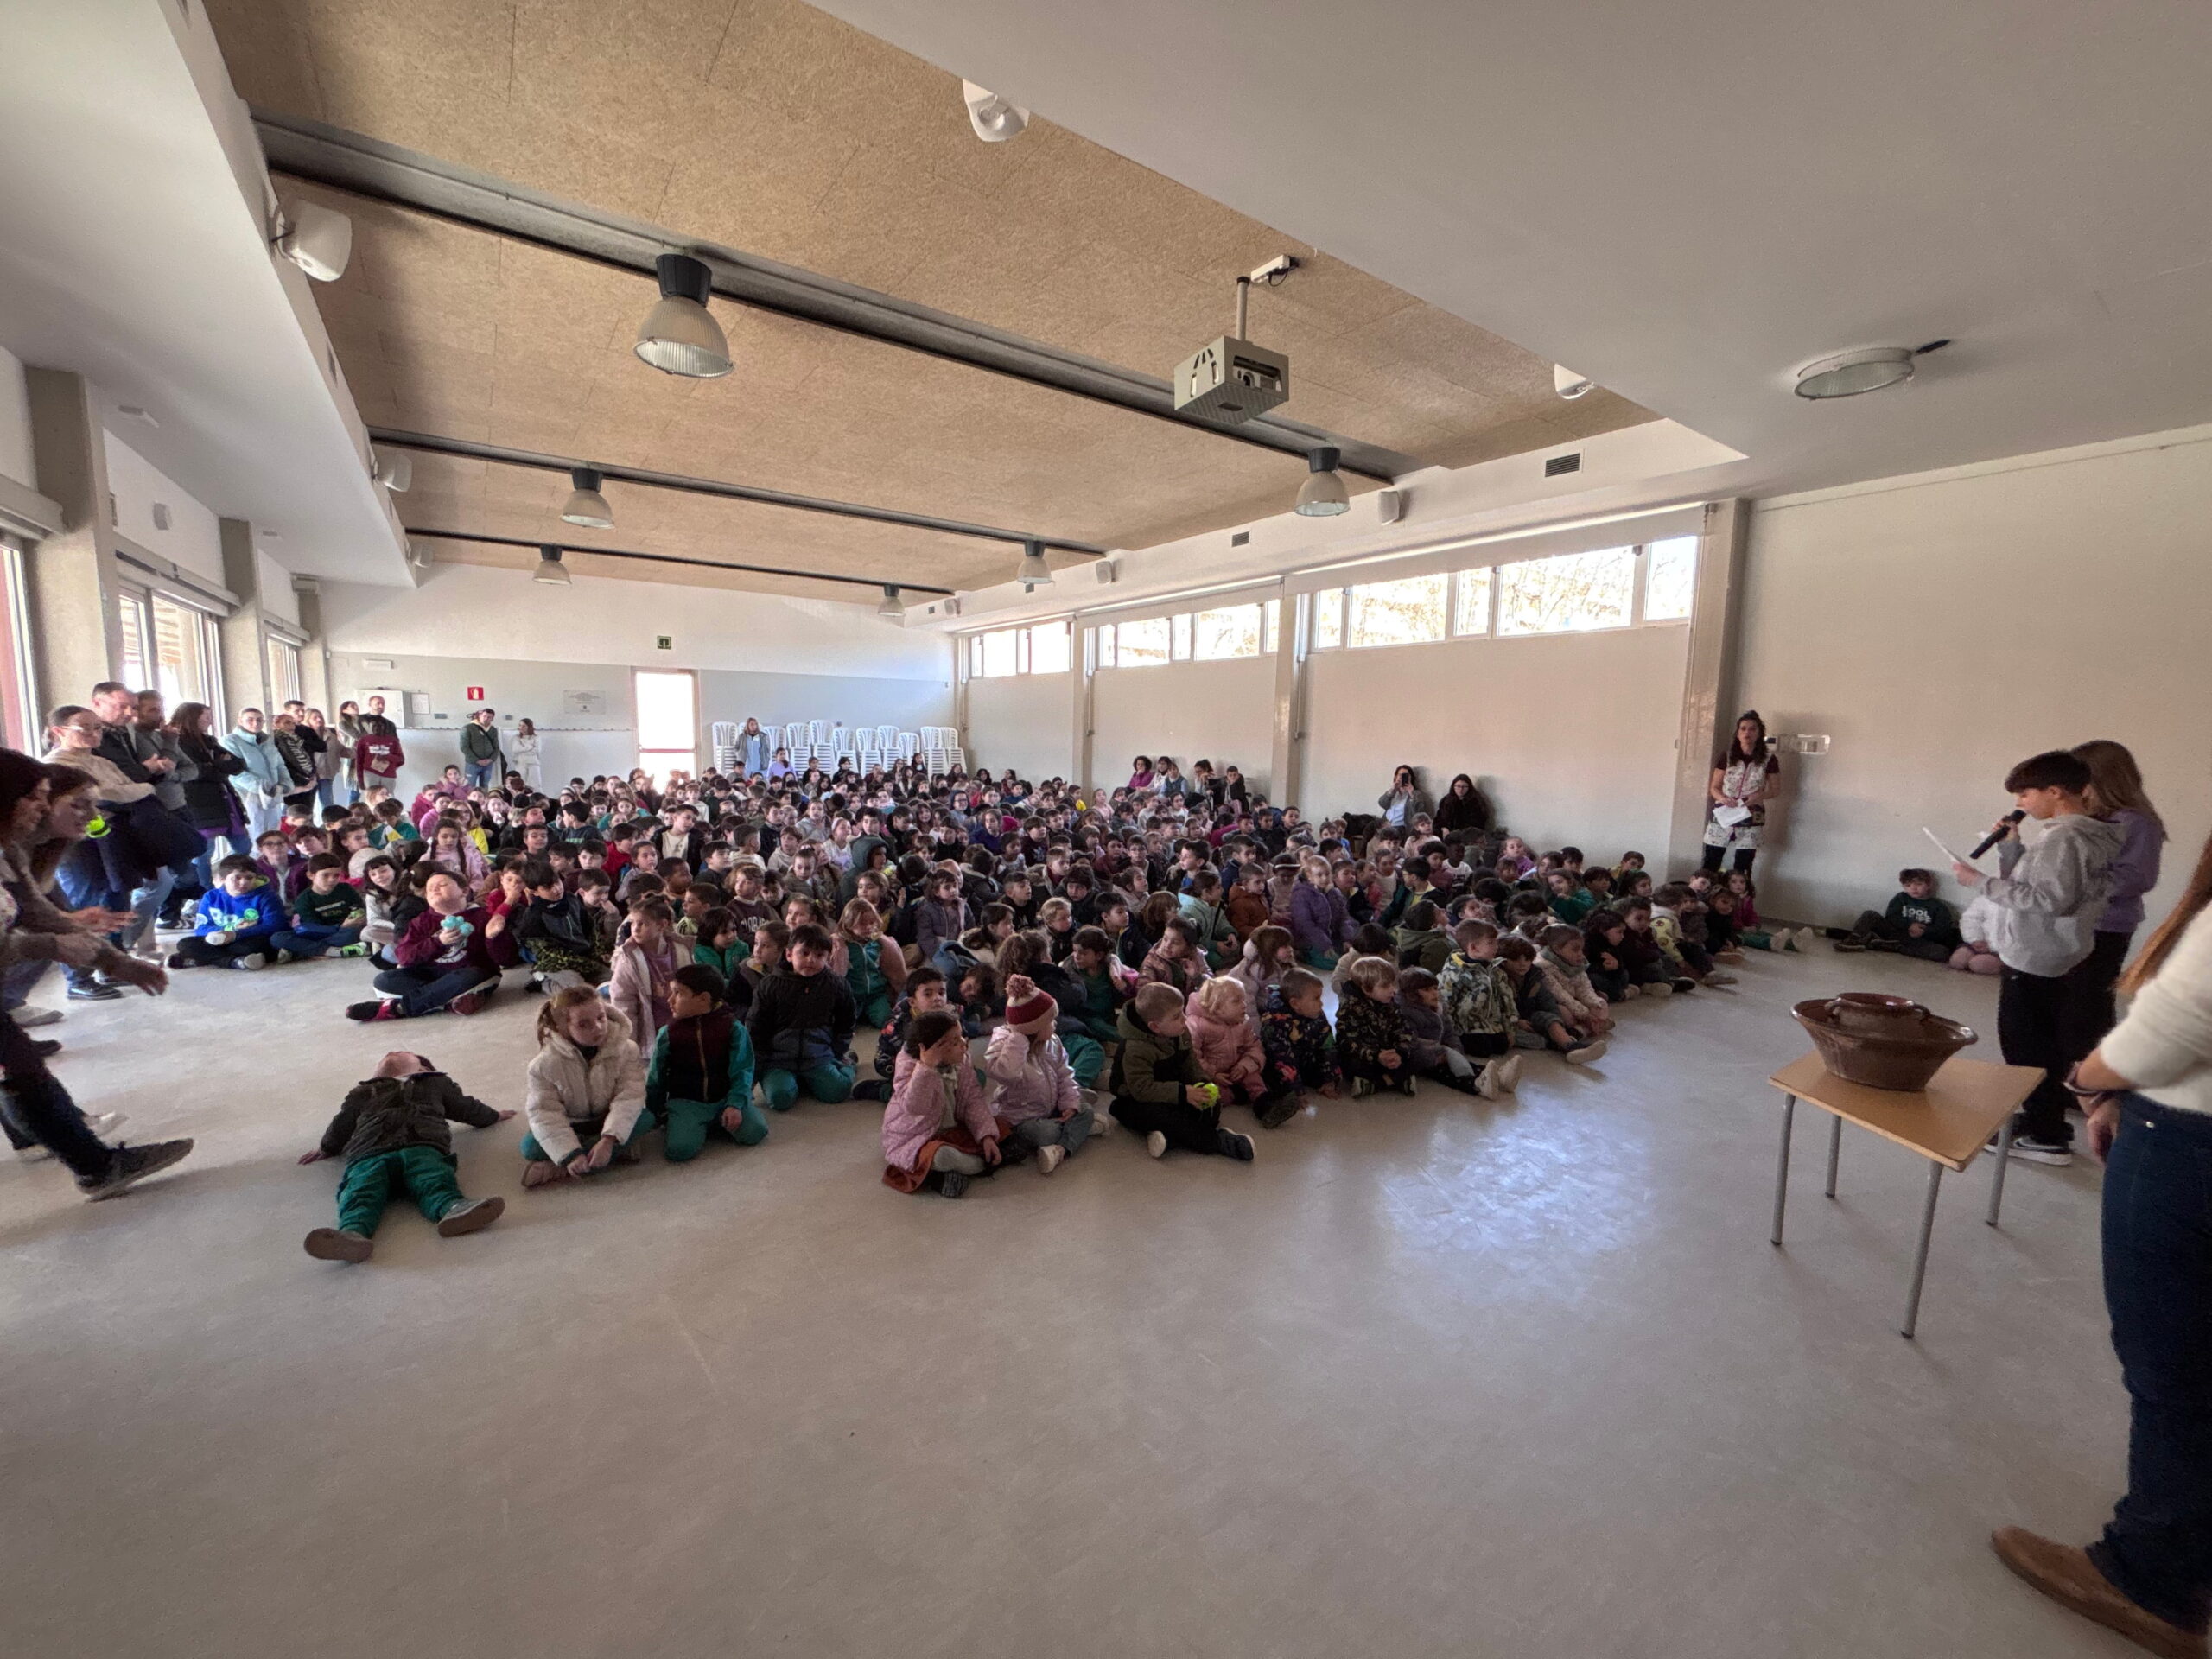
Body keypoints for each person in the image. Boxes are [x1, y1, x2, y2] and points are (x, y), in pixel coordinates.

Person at [1991, 823, 2212, 1658]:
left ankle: (2151, 1580)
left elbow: (2173, 1029)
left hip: (2189, 1146)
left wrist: (2085, 1079)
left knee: (2176, 1371)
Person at [0, 751, 193, 1197]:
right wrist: (51, 946)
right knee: (19, 1063)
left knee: (20, 1064)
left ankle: (93, 1165)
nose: (40, 805)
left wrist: (118, 963)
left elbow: (39, 914)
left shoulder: (8, 849)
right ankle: (93, 1164)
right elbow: (40, 930)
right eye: (35, 796)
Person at [1949, 749, 2126, 1166]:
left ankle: (2045, 1134)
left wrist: (1978, 882)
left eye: (2025, 794)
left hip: (2035, 954)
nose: (2021, 804)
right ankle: (2043, 1121)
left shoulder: (2063, 838)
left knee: (2026, 1048)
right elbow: (2042, 884)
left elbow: (2049, 900)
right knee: (2045, 1042)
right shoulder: (2088, 834)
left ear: (2055, 791)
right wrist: (2012, 851)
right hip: (2057, 951)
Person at [297, 1051, 510, 1262]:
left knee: (432, 1177)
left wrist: (492, 1116)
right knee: (360, 1189)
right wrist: (327, 1147)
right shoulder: (363, 1092)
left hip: (421, 1145)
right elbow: (342, 1123)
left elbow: (465, 1106)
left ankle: (453, 1207)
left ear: (424, 1069)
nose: (393, 1057)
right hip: (369, 1153)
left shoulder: (435, 1083)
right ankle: (351, 1233)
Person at [2070, 739, 2165, 1055]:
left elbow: (2136, 879)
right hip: (2076, 922)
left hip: (2106, 926)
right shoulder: (2093, 818)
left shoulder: (2136, 822)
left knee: (2088, 1006)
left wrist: (2076, 884)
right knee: (2069, 1004)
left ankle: (2094, 1074)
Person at [1108, 982, 1255, 1162]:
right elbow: (1141, 1089)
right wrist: (1183, 1093)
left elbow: (1190, 1064)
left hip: (1171, 1089)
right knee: (1163, 1116)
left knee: (1210, 1107)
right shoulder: (1135, 1049)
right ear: (1155, 1027)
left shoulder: (1180, 1032)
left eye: (1183, 1011)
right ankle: (1219, 1142)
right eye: (1177, 1016)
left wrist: (1202, 1083)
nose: (1185, 1019)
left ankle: (1170, 1139)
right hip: (1136, 1099)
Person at [520, 987, 653, 1185]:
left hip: (606, 1119)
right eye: (584, 1024)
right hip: (573, 1124)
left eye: (601, 1018)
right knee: (530, 1147)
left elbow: (630, 1096)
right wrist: (570, 1154)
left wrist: (609, 1140)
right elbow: (544, 1113)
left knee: (646, 1118)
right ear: (563, 1028)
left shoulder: (627, 1050)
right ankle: (613, 1153)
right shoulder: (543, 1065)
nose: (598, 1027)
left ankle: (561, 1169)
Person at [645, 963, 767, 1161]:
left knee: (755, 1132)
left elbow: (743, 1070)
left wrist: (735, 1104)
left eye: (678, 993)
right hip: (687, 1102)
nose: (670, 1000)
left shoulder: (733, 1028)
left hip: (725, 1097)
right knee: (679, 1150)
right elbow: (655, 1077)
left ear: (703, 999)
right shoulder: (668, 1034)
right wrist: (656, 1111)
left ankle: (714, 1121)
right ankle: (696, 1123)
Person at [880, 1007, 1003, 1198]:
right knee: (940, 1156)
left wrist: (986, 1136)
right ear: (931, 1049)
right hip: (917, 1136)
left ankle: (966, 1165)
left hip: (952, 1128)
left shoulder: (961, 1061)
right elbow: (915, 1106)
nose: (963, 1044)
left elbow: (973, 1100)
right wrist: (926, 1068)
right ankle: (979, 1165)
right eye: (954, 1042)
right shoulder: (910, 1066)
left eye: (961, 1036)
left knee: (1002, 1126)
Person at [349, 869, 502, 1021]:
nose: (435, 889)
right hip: (433, 976)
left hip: (470, 974)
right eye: (429, 889)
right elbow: (404, 957)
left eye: (442, 885)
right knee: (384, 980)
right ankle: (448, 1003)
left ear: (464, 891)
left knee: (468, 977)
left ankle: (399, 1008)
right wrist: (438, 942)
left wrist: (493, 937)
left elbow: (506, 959)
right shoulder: (421, 921)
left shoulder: (483, 916)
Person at [979, 976, 1092, 1174]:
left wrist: (1069, 1103)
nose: (1055, 1025)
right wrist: (1019, 1039)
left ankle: (1061, 1149)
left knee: (1084, 1109)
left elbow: (1065, 1074)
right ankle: (1076, 1131)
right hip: (1020, 1119)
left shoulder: (1053, 1042)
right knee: (1046, 1133)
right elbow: (1006, 1074)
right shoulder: (1005, 1045)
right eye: (1050, 1021)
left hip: (1052, 1107)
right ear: (1031, 1029)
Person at [747, 922, 857, 1111]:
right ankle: (793, 1082)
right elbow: (756, 1028)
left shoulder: (836, 985)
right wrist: (755, 1071)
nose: (811, 960)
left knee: (838, 1091)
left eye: (819, 955)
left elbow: (846, 1021)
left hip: (818, 1056)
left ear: (828, 958)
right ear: (789, 954)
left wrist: (838, 1051)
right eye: (804, 953)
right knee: (779, 1099)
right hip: (778, 1061)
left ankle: (848, 1063)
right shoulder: (769, 986)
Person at [1701, 711, 1780, 874]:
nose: (1747, 733)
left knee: (1743, 866)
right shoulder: (1727, 757)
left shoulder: (1768, 760)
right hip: (1725, 811)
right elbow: (1714, 787)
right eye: (1743, 729)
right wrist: (1722, 798)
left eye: (1752, 729)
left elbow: (1775, 790)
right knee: (1711, 861)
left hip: (1751, 813)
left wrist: (1759, 796)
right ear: (1737, 733)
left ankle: (1741, 890)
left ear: (1759, 733)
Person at [1834, 868, 1960, 959]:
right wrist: (1909, 925)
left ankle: (1886, 945)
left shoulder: (1938, 906)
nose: (1914, 888)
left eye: (1919, 884)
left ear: (1928, 885)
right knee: (1870, 915)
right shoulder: (1901, 898)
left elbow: (1943, 929)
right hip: (1895, 932)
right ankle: (1854, 940)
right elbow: (1891, 917)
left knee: (1942, 952)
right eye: (1908, 885)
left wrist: (1925, 931)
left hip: (1917, 940)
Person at [1337, 954, 1416, 1096]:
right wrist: (1376, 1056)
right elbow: (1347, 1041)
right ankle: (1393, 1081)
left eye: (1393, 984)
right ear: (1366, 989)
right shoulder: (1350, 1008)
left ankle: (1376, 1084)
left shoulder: (1391, 1004)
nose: (1393, 990)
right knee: (1349, 1064)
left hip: (1388, 1052)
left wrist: (1399, 1052)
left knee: (1415, 1057)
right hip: (1368, 1056)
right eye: (1385, 986)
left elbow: (1403, 1029)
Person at [223, 708, 287, 838]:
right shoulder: (230, 741)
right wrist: (262, 787)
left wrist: (285, 784)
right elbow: (235, 772)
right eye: (250, 720)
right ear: (240, 721)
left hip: (272, 793)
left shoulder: (267, 741)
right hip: (248, 794)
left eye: (259, 720)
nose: (255, 723)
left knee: (274, 831)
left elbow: (279, 765)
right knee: (255, 833)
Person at [1376, 764, 1435, 833]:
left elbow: (1418, 813)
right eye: (1400, 775)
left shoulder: (1416, 794)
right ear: (1395, 777)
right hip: (1386, 824)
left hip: (1401, 827)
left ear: (1411, 778)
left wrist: (1412, 794)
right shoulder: (1393, 792)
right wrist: (1391, 791)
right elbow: (1382, 804)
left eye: (1406, 775)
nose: (1402, 777)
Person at [1434, 772, 1492, 836]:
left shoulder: (1476, 801)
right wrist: (1443, 828)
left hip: (1467, 835)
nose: (1461, 789)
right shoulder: (1446, 800)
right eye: (1458, 786)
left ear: (1469, 787)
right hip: (1447, 834)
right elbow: (1439, 819)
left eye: (1464, 787)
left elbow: (1478, 823)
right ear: (1453, 787)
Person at [459, 708, 504, 791]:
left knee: (485, 786)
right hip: (472, 763)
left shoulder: (493, 730)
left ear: (492, 719)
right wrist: (477, 760)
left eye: (489, 717)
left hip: (488, 763)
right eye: (484, 716)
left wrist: (491, 759)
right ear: (479, 716)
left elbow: (496, 747)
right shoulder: (468, 728)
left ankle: (484, 799)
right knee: (469, 786)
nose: (486, 719)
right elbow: (464, 747)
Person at [509, 716, 543, 791]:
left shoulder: (536, 737)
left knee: (535, 783)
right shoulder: (516, 737)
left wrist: (523, 749)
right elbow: (516, 749)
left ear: (529, 727)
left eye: (523, 726)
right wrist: (529, 747)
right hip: (520, 763)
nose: (521, 728)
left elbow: (536, 750)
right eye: (520, 725)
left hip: (533, 763)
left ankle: (537, 797)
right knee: (520, 782)